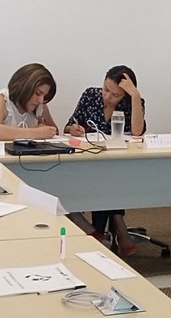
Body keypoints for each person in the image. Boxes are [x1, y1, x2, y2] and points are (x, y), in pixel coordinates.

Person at [62, 65, 146, 254]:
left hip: (116, 163)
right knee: (105, 178)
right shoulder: (90, 95)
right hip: (87, 162)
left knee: (109, 176)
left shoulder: (134, 102)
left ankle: (98, 232)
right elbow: (68, 126)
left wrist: (134, 95)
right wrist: (73, 129)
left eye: (115, 95)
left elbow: (137, 132)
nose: (107, 97)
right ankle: (118, 222)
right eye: (105, 89)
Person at [0, 63, 60, 140]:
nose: (40, 100)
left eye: (44, 96)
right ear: (23, 87)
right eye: (37, 93)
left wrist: (45, 129)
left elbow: (55, 132)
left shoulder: (40, 106)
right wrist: (36, 132)